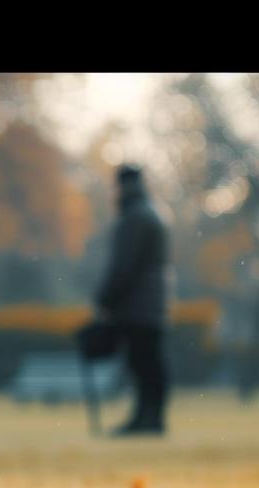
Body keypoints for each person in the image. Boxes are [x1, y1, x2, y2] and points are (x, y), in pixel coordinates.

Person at [95, 164, 172, 436]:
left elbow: (124, 266)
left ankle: (145, 418)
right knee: (149, 362)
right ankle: (150, 417)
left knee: (142, 363)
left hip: (138, 304)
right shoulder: (151, 213)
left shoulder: (135, 217)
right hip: (152, 303)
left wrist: (106, 299)